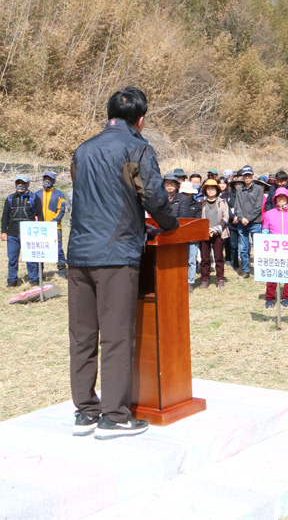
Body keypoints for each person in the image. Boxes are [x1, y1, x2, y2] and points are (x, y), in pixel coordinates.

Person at [67, 87, 177, 439]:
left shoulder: (82, 150)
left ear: (109, 114)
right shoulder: (137, 147)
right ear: (140, 120)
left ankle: (85, 410)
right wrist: (170, 224)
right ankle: (114, 416)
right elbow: (154, 196)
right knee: (116, 336)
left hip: (79, 253)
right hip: (115, 254)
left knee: (82, 335)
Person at [261, 187, 288, 308]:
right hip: (274, 248)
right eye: (279, 197)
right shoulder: (269, 214)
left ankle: (286, 298)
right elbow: (265, 230)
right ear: (275, 199)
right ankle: (270, 298)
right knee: (272, 274)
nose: (281, 199)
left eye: (284, 197)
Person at [2, 174, 41, 288]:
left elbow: (40, 216)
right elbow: (5, 216)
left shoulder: (34, 198)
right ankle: (12, 280)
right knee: (12, 258)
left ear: (27, 184)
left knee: (30, 258)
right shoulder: (10, 198)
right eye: (18, 183)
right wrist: (3, 231)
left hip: (29, 234)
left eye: (22, 183)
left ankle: (34, 280)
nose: (20, 185)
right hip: (12, 234)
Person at [232, 166, 264, 278]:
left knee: (258, 247)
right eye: (245, 175)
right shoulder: (240, 189)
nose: (247, 177)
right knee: (244, 248)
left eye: (249, 175)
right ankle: (246, 269)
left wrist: (248, 218)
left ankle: (260, 269)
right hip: (242, 223)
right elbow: (238, 206)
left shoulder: (258, 189)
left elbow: (258, 207)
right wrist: (241, 218)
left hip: (255, 222)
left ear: (253, 175)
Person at [36, 171, 68, 278]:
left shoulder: (59, 194)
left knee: (57, 249)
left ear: (54, 181)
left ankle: (62, 270)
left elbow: (61, 210)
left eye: (49, 179)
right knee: (39, 250)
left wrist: (54, 222)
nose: (46, 181)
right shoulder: (37, 194)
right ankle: (39, 272)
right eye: (45, 178)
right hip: (40, 228)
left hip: (55, 227)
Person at [198, 178, 229, 289]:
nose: (210, 191)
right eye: (208, 189)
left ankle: (220, 279)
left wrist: (216, 229)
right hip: (204, 232)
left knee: (219, 257)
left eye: (212, 189)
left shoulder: (222, 202)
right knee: (205, 258)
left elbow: (226, 217)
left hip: (218, 233)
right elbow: (199, 218)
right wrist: (206, 229)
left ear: (217, 190)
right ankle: (204, 279)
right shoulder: (202, 203)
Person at [177, 180, 202, 289]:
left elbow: (197, 221)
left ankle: (190, 282)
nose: (186, 196)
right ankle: (180, 280)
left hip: (192, 236)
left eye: (188, 193)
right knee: (180, 260)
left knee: (191, 260)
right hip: (178, 236)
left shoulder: (197, 205)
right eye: (184, 194)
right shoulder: (176, 203)